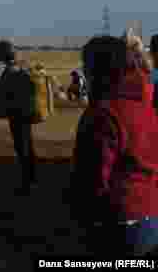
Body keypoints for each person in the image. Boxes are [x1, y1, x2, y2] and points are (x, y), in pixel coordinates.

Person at [66, 35, 158, 258]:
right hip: (151, 213)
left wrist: (81, 212)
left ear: (98, 70)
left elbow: (94, 179)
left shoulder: (104, 113)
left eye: (86, 66)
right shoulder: (145, 100)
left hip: (119, 220)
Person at [0, 39, 38, 193]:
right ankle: (32, 179)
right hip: (25, 113)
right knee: (28, 147)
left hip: (17, 115)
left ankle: (27, 183)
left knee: (22, 148)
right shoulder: (21, 67)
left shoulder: (10, 71)